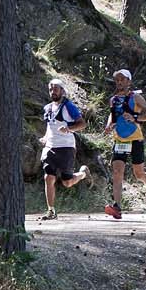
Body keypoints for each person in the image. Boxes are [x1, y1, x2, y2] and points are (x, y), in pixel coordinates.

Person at [102, 68, 146, 220]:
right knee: (117, 172)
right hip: (119, 139)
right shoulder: (113, 99)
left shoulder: (136, 97)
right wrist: (109, 125)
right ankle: (117, 207)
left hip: (135, 139)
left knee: (138, 174)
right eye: (117, 79)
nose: (119, 82)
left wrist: (135, 117)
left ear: (129, 81)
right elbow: (112, 115)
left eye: (122, 79)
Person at [38, 78, 90, 219]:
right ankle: (51, 211)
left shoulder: (68, 107)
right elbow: (50, 126)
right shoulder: (47, 108)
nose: (53, 92)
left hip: (66, 147)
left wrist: (68, 129)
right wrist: (45, 137)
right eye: (50, 89)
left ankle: (83, 173)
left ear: (62, 90)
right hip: (50, 147)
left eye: (56, 89)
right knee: (48, 177)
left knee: (67, 182)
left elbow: (82, 124)